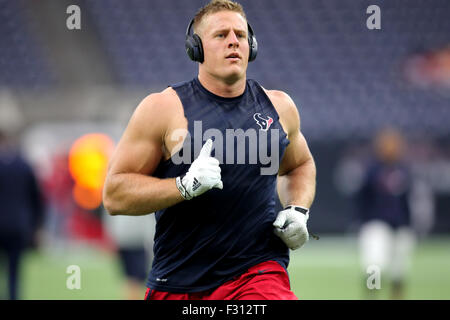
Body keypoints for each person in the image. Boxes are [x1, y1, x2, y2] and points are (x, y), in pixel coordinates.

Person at [103, 0, 316, 300]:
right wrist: (183, 187)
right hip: (178, 280)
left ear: (252, 46)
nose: (233, 41)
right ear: (196, 48)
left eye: (240, 35)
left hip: (258, 273)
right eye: (221, 35)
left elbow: (300, 165)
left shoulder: (279, 106)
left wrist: (297, 209)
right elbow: (114, 195)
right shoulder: (163, 109)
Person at [356, 128, 416, 300]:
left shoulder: (403, 170)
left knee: (399, 268)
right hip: (376, 223)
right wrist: (362, 221)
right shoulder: (372, 170)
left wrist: (409, 223)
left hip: (400, 224)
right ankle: (372, 295)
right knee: (374, 264)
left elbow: (408, 200)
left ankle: (396, 296)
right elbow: (362, 198)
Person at [0, 130, 44, 300]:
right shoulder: (24, 164)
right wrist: (37, 226)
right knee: (14, 271)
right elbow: (37, 199)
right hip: (18, 225)